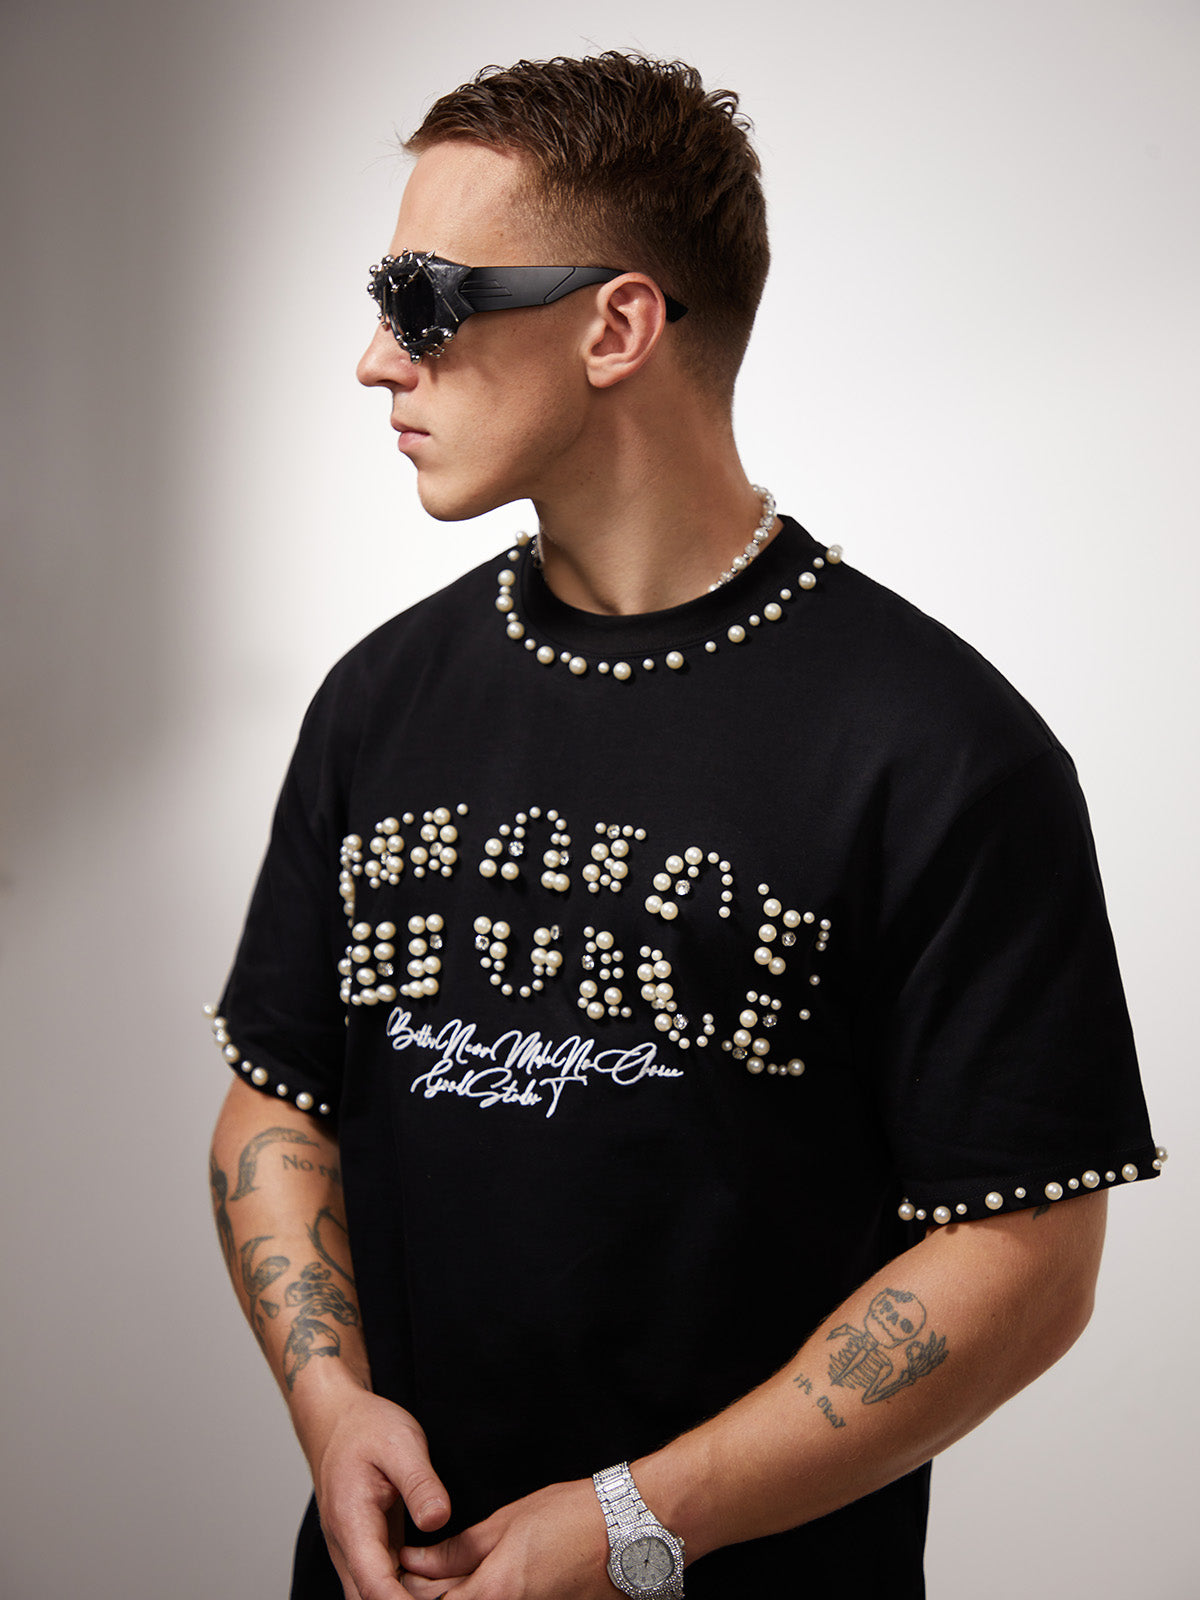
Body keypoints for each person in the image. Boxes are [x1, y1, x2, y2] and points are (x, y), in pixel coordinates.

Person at [207, 52, 1161, 1600]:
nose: (378, 359)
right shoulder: (378, 701)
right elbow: (276, 1104)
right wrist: (330, 1406)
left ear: (618, 325)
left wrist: (641, 1523)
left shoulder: (940, 750)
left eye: (424, 300)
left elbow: (1029, 1260)